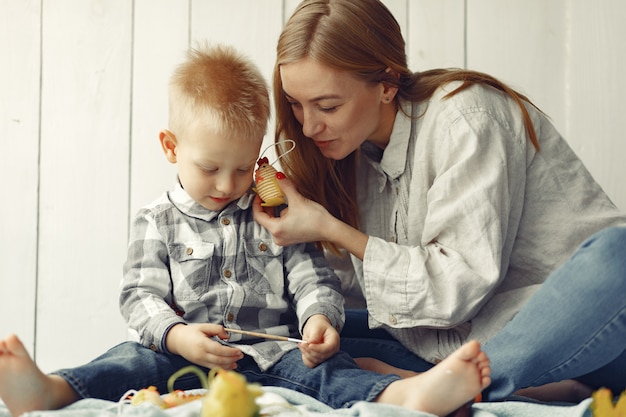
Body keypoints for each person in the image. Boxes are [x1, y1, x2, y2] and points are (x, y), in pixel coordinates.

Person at [0, 44, 492, 417]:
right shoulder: (157, 220)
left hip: (273, 351)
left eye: (242, 168)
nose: (226, 184)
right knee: (127, 362)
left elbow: (311, 276)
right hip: (183, 352)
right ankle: (52, 391)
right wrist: (176, 336)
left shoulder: (270, 208)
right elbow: (139, 297)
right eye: (210, 167)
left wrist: (321, 319)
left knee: (328, 374)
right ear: (171, 147)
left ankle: (405, 395)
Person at [252, 0, 626, 403]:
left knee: (618, 254)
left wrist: (329, 227)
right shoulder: (348, 152)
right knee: (290, 334)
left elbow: (456, 288)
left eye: (328, 106)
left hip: (585, 328)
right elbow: (361, 295)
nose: (309, 126)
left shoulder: (466, 117)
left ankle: (472, 386)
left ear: (387, 84)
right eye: (295, 104)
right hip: (456, 343)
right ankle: (460, 384)